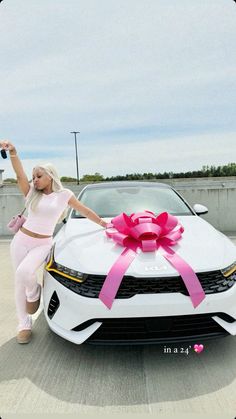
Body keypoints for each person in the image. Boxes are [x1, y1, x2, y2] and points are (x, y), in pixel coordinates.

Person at [0, 139, 107, 344]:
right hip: (20, 240)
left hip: (42, 244)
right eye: (34, 177)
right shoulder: (31, 193)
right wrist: (13, 152)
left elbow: (84, 210)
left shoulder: (64, 195)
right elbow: (19, 174)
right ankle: (24, 322)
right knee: (19, 280)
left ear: (50, 176)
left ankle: (33, 292)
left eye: (39, 176)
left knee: (24, 272)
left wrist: (103, 223)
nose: (35, 180)